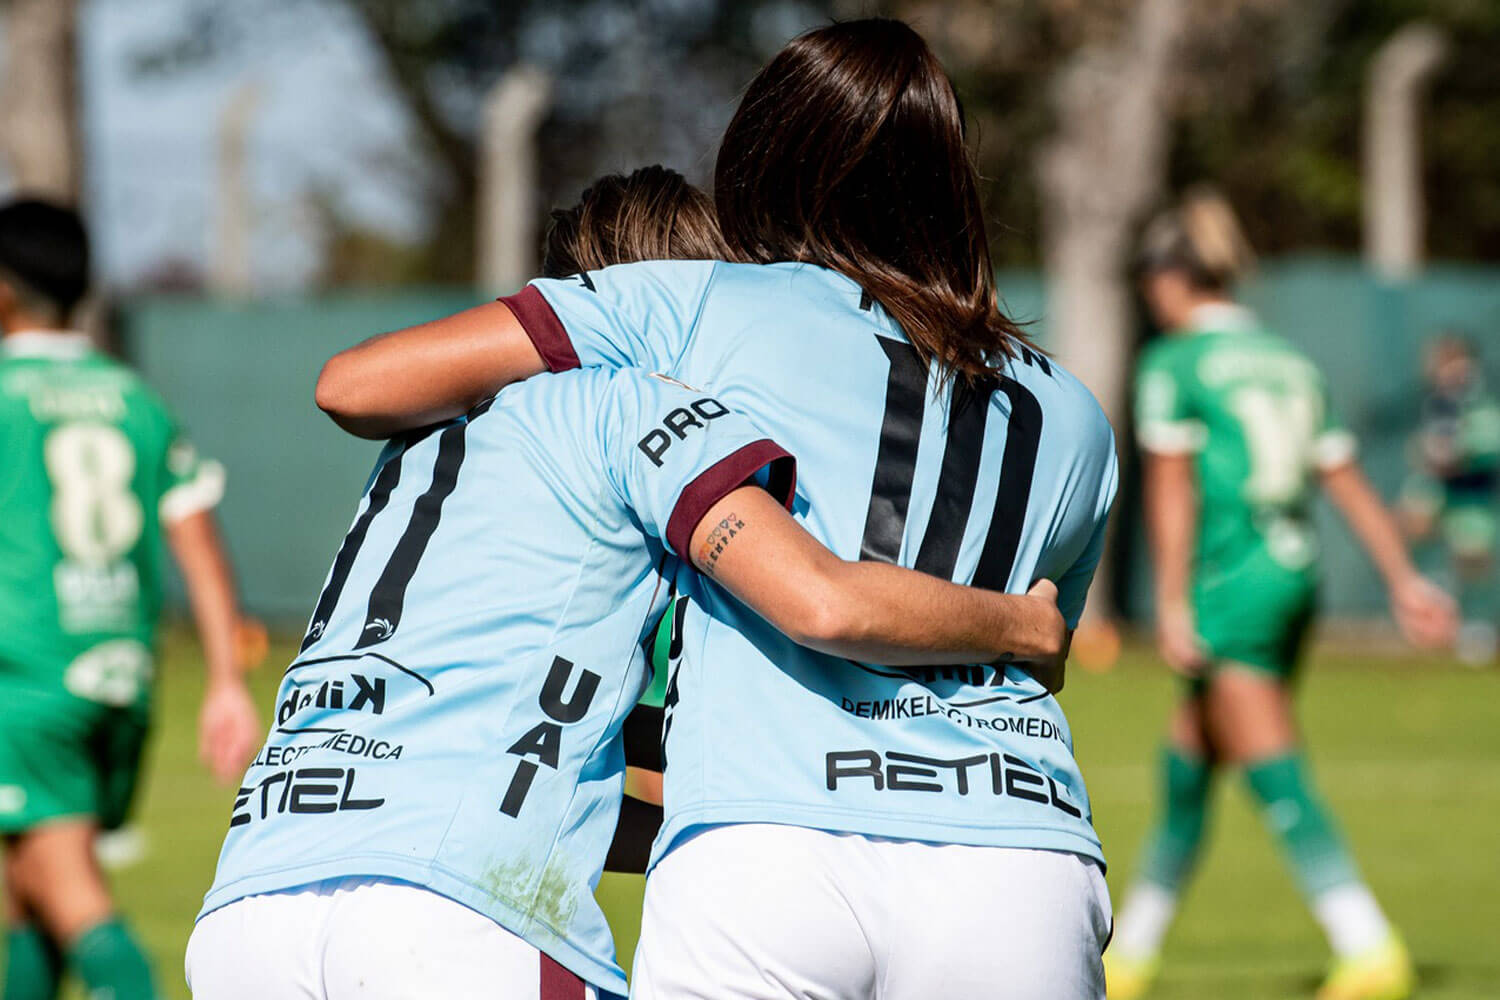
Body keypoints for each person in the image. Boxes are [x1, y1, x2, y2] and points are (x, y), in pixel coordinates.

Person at [315, 19, 1118, 998]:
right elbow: (1037, 650)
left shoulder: (693, 302)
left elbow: (360, 385)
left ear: (760, 161)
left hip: (771, 843)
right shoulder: (1076, 413)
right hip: (1021, 856)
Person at [1106, 190, 1458, 1000]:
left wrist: (1167, 601)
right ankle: (1130, 959)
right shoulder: (1288, 360)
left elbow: (1171, 491)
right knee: (1189, 761)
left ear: (1170, 278)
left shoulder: (1175, 362)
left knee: (1271, 765)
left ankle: (1368, 947)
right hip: (1293, 574)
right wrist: (1405, 580)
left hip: (1234, 578)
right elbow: (1345, 478)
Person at [0, 199, 260, 1000]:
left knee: (66, 890)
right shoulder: (133, 398)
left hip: (23, 683)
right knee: (24, 897)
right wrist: (224, 679)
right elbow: (197, 540)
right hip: (117, 680)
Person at [1400, 333, 1500, 664]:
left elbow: (1482, 445)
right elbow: (1433, 450)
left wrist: (1460, 452)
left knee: (1473, 559)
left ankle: (1474, 627)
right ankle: (1430, 607)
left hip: (1471, 492)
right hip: (1439, 486)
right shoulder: (1437, 402)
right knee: (1410, 526)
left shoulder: (1480, 401)